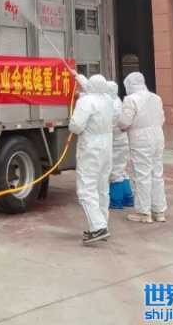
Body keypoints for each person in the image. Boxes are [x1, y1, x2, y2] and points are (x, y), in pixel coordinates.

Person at [69, 74, 114, 244]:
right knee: (102, 187)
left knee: (86, 188)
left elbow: (76, 126)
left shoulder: (85, 102)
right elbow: (91, 86)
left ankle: (98, 227)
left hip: (91, 147)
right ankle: (103, 224)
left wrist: (71, 123)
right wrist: (77, 76)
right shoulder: (108, 100)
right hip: (107, 146)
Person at [119, 72, 167, 223]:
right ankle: (159, 211)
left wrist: (121, 126)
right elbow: (162, 118)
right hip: (158, 136)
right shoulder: (156, 98)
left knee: (142, 175)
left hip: (140, 139)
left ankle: (144, 212)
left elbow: (124, 122)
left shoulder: (131, 99)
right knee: (157, 174)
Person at [107, 81, 134, 209]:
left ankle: (116, 201)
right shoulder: (118, 100)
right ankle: (128, 198)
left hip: (115, 142)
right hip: (122, 141)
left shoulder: (110, 105)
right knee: (122, 170)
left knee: (115, 172)